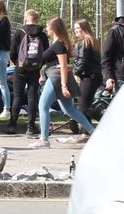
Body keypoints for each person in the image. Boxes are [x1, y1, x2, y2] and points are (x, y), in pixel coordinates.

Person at [32, 17, 97, 149]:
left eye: (48, 26)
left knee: (43, 106)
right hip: (55, 76)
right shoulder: (57, 42)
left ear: (54, 28)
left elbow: (62, 65)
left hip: (56, 78)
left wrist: (63, 85)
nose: (46, 28)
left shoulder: (59, 44)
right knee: (69, 110)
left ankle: (44, 139)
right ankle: (93, 132)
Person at [7, 9, 49, 134]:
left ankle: (12, 125)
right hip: (35, 69)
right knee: (32, 97)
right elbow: (46, 52)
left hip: (20, 68)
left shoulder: (19, 33)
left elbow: (12, 52)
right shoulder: (42, 34)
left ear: (26, 18)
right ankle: (31, 126)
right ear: (37, 19)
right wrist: (40, 64)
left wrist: (18, 63)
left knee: (17, 96)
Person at [73, 19, 107, 121]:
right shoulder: (93, 41)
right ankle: (87, 131)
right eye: (75, 28)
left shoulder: (84, 43)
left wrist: (75, 72)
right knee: (86, 104)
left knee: (83, 106)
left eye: (78, 28)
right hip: (95, 76)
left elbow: (82, 61)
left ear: (84, 28)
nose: (76, 31)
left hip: (89, 76)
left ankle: (105, 121)